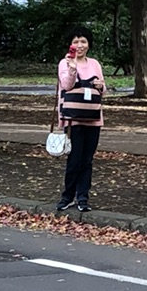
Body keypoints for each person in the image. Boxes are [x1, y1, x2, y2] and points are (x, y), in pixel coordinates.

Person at [53, 31, 106, 216]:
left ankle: (83, 197)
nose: (80, 45)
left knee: (87, 159)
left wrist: (100, 86)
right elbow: (66, 85)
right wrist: (73, 67)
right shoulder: (64, 62)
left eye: (83, 41)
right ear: (71, 45)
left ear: (89, 44)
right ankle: (67, 196)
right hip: (73, 118)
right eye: (76, 41)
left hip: (92, 117)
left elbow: (103, 88)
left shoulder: (95, 64)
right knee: (74, 159)